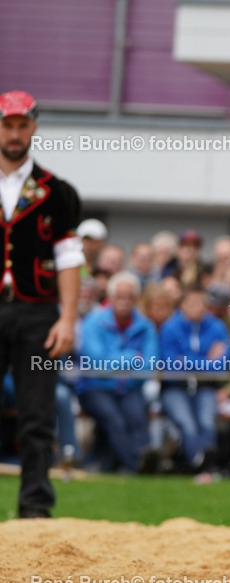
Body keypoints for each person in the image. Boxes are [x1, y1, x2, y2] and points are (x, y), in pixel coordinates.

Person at [0, 90, 83, 517]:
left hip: (38, 312)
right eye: (7, 124)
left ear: (33, 126)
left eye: (21, 125)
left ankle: (34, 507)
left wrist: (67, 317)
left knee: (37, 414)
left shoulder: (58, 192)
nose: (14, 134)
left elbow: (69, 257)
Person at [76, 272, 159, 473]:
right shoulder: (93, 323)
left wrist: (118, 366)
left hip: (130, 387)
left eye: (129, 296)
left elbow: (149, 365)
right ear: (111, 298)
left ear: (136, 299)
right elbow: (96, 362)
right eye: (120, 296)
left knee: (137, 417)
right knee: (115, 420)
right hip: (95, 387)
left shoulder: (145, 326)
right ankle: (138, 466)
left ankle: (142, 459)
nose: (125, 301)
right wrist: (131, 357)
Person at [159, 288, 230, 470]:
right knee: (186, 423)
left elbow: (221, 366)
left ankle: (203, 464)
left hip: (206, 386)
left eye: (201, 303)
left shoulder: (217, 327)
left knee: (207, 421)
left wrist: (185, 360)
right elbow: (170, 365)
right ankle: (199, 464)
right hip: (175, 387)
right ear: (182, 305)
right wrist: (206, 360)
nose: (198, 308)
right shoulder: (170, 327)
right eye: (192, 303)